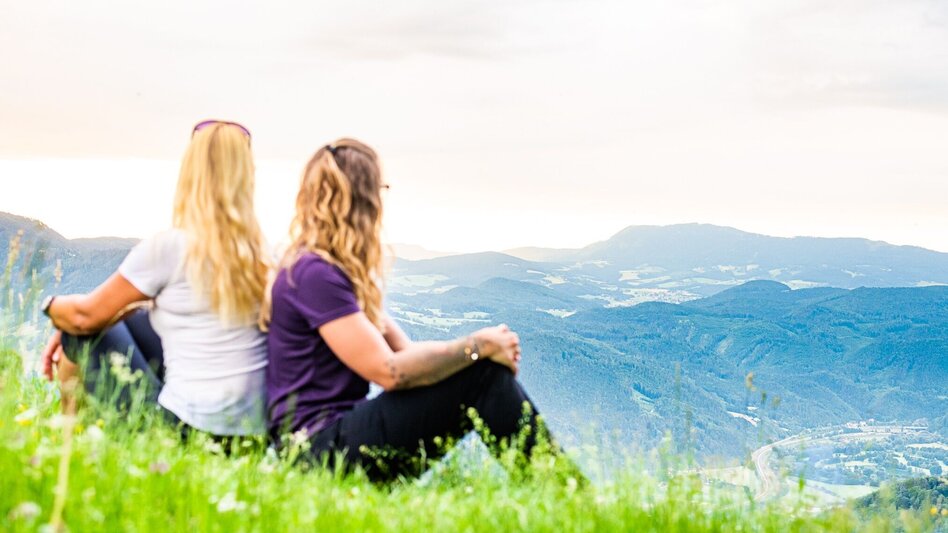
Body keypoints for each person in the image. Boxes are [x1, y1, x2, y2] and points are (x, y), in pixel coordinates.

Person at [264, 139, 560, 480]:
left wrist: (478, 350)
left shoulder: (331, 272)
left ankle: (562, 492)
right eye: (380, 189)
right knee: (482, 376)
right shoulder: (313, 274)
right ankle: (567, 496)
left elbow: (406, 353)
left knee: (477, 370)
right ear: (364, 198)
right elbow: (389, 371)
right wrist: (478, 347)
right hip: (315, 453)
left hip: (331, 442)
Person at [39, 120, 270, 439]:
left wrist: (52, 307)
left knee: (81, 331)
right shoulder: (265, 257)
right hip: (250, 435)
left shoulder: (171, 247)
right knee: (119, 320)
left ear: (190, 174)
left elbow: (82, 317)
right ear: (248, 176)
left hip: (186, 431)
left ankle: (68, 444)